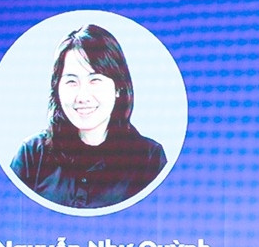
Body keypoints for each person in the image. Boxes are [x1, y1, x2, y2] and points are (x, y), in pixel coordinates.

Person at [11, 24, 167, 209]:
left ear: (119, 87)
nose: (82, 96)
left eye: (95, 80)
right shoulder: (31, 155)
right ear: (57, 89)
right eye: (71, 81)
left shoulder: (149, 159)